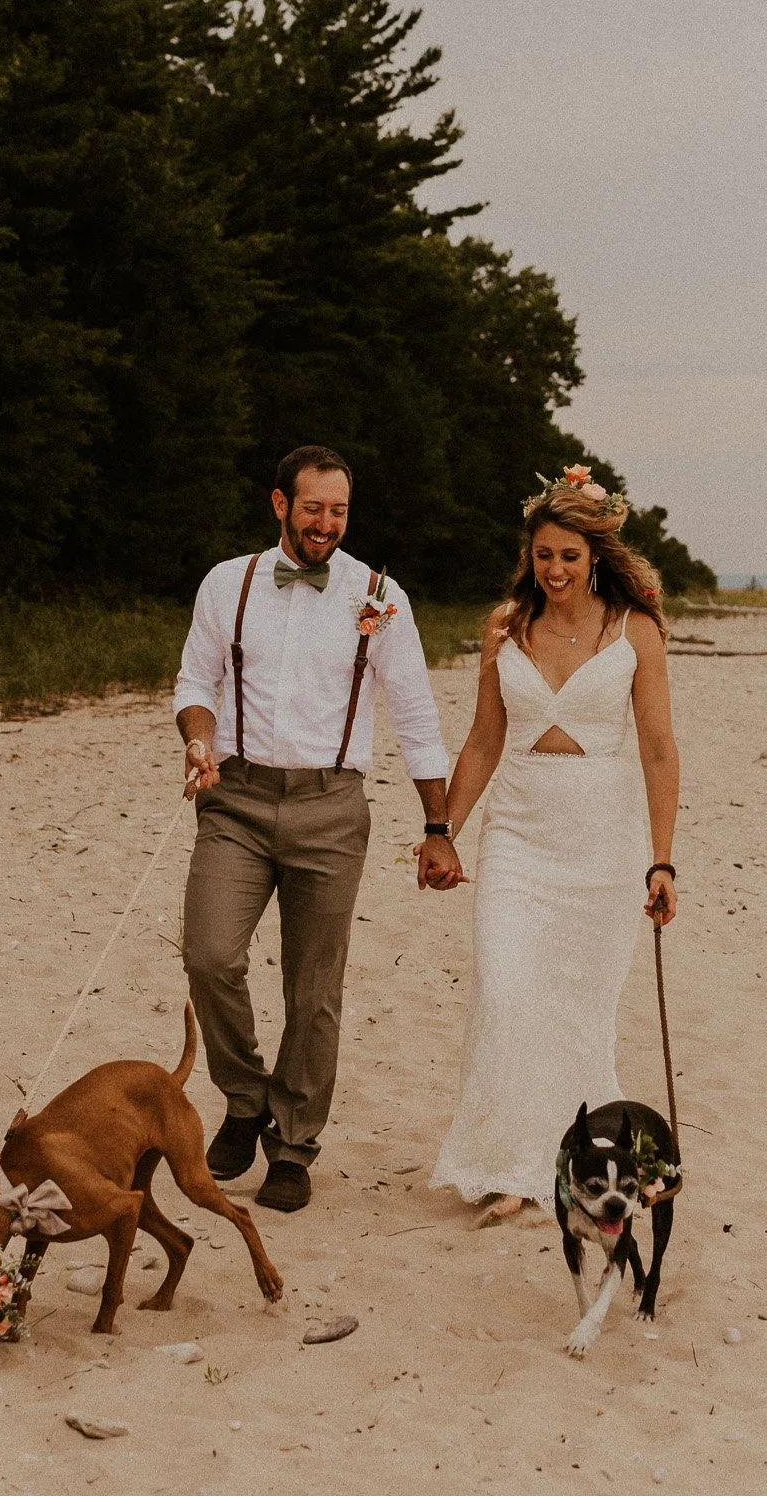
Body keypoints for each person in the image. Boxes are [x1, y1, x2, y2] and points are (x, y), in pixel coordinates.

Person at [174, 444, 450, 1213]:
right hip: (234, 797)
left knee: (314, 989)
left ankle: (292, 1144)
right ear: (279, 505)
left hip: (332, 807)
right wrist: (198, 740)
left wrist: (438, 824)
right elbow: (196, 680)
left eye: (338, 510)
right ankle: (242, 1099)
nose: (325, 523)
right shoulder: (227, 584)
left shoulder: (379, 596)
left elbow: (416, 712)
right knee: (209, 955)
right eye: (312, 508)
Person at [421, 467, 680, 1220]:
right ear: (528, 556)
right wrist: (442, 831)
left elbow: (659, 750)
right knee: (506, 991)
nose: (555, 570)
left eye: (569, 555)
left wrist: (661, 860)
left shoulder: (636, 630)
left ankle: (568, 1161)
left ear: (595, 554)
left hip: (602, 837)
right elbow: (482, 740)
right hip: (519, 833)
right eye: (543, 555)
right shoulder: (504, 623)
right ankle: (513, 1164)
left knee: (575, 1008)